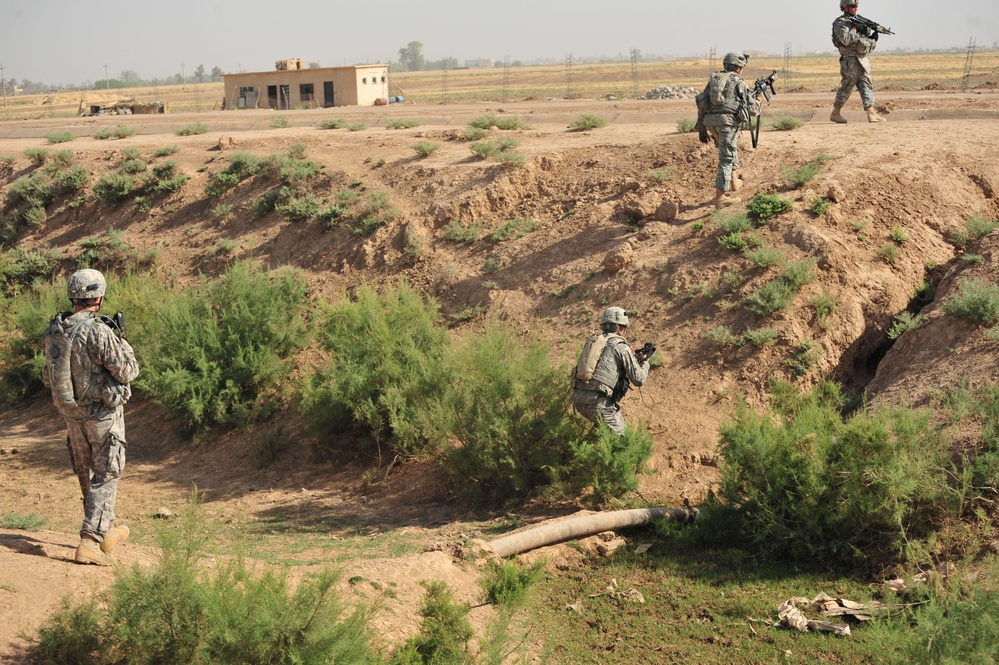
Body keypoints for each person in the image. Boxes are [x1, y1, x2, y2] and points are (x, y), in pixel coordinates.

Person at [42, 269, 139, 566]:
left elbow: (51, 376)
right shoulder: (98, 330)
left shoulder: (56, 330)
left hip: (73, 417)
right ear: (98, 296)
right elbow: (127, 371)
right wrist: (123, 342)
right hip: (102, 416)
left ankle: (105, 526)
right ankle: (90, 541)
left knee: (88, 475)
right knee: (107, 473)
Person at [695, 52, 762, 209]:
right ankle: (720, 198)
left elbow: (702, 103)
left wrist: (702, 128)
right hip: (727, 123)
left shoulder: (715, 80)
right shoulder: (739, 82)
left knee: (729, 150)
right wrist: (759, 98)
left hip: (711, 122)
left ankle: (733, 181)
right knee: (725, 159)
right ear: (738, 68)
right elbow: (753, 110)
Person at [571, 307, 651, 436]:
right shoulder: (621, 347)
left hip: (579, 400)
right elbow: (639, 380)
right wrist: (645, 362)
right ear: (620, 328)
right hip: (598, 403)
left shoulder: (592, 341)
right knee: (623, 440)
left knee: (605, 434)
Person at [831, 0, 886, 123]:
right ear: (845, 7)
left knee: (866, 84)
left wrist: (871, 37)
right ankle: (835, 113)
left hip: (862, 58)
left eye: (856, 6)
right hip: (850, 59)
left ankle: (871, 113)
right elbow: (846, 40)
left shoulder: (858, 20)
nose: (856, 8)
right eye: (853, 6)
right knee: (847, 86)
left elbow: (861, 40)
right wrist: (856, 29)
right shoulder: (841, 23)